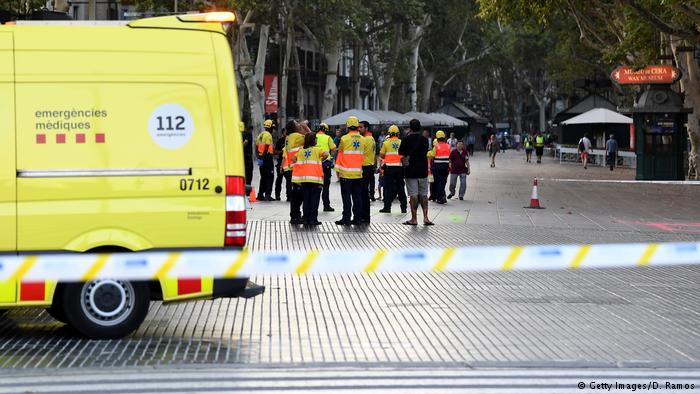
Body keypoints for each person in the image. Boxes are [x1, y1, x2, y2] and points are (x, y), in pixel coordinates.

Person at [399, 119, 433, 226]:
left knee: (413, 195)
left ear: (410, 127)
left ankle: (414, 219)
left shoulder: (406, 139)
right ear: (420, 127)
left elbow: (400, 152)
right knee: (424, 195)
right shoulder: (424, 140)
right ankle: (426, 218)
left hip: (410, 171)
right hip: (422, 170)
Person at [335, 116, 366, 226]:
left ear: (348, 127)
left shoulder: (344, 139)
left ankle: (346, 218)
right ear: (358, 126)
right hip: (358, 174)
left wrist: (337, 171)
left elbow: (340, 154)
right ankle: (357, 219)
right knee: (357, 197)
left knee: (346, 197)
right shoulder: (363, 139)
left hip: (346, 174)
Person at [291, 132, 328, 226]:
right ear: (314, 140)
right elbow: (326, 154)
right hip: (316, 179)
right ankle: (313, 219)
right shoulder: (317, 149)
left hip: (304, 179)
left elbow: (293, 159)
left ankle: (306, 218)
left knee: (306, 200)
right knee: (314, 200)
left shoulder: (301, 151)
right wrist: (320, 159)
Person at [285, 120, 310, 224]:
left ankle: (295, 216)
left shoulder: (289, 137)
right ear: (294, 127)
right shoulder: (296, 136)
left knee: (296, 194)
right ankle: (295, 216)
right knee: (298, 195)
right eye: (297, 124)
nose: (299, 124)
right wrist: (305, 126)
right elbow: (312, 138)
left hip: (292, 168)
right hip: (297, 168)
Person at [379, 125, 407, 214]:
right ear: (398, 134)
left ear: (389, 134)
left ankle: (387, 208)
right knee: (401, 188)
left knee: (388, 188)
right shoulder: (401, 142)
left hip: (389, 168)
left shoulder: (386, 143)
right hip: (399, 168)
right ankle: (403, 208)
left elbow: (382, 155)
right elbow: (404, 155)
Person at [315, 123, 336, 211]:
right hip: (325, 163)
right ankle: (326, 206)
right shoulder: (327, 137)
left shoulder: (313, 136)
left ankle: (314, 206)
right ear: (326, 130)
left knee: (316, 186)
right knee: (325, 186)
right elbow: (334, 149)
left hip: (315, 163)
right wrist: (331, 158)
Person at [428, 130, 450, 204]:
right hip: (446, 167)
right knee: (443, 182)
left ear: (437, 138)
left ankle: (441, 197)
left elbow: (431, 155)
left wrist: (427, 152)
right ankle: (440, 196)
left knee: (439, 182)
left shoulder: (436, 146)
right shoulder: (448, 146)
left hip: (437, 167)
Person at [360, 121, 376, 217]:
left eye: (361, 127)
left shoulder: (365, 139)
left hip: (365, 167)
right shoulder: (372, 138)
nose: (359, 129)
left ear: (366, 128)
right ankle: (365, 215)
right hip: (369, 166)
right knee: (365, 192)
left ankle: (364, 215)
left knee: (363, 193)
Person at [256, 119, 274, 201]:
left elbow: (256, 147)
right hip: (267, 158)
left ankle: (260, 194)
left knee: (263, 177)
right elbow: (266, 147)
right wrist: (264, 157)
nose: (273, 129)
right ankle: (267, 194)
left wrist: (259, 157)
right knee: (270, 176)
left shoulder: (260, 134)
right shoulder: (268, 135)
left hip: (261, 157)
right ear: (270, 127)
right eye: (272, 127)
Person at [273, 128, 287, 201]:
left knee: (289, 181)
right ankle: (277, 195)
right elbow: (274, 151)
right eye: (285, 132)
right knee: (279, 180)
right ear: (282, 133)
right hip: (280, 163)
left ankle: (289, 196)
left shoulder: (290, 140)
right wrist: (281, 152)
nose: (287, 133)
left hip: (288, 164)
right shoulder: (280, 141)